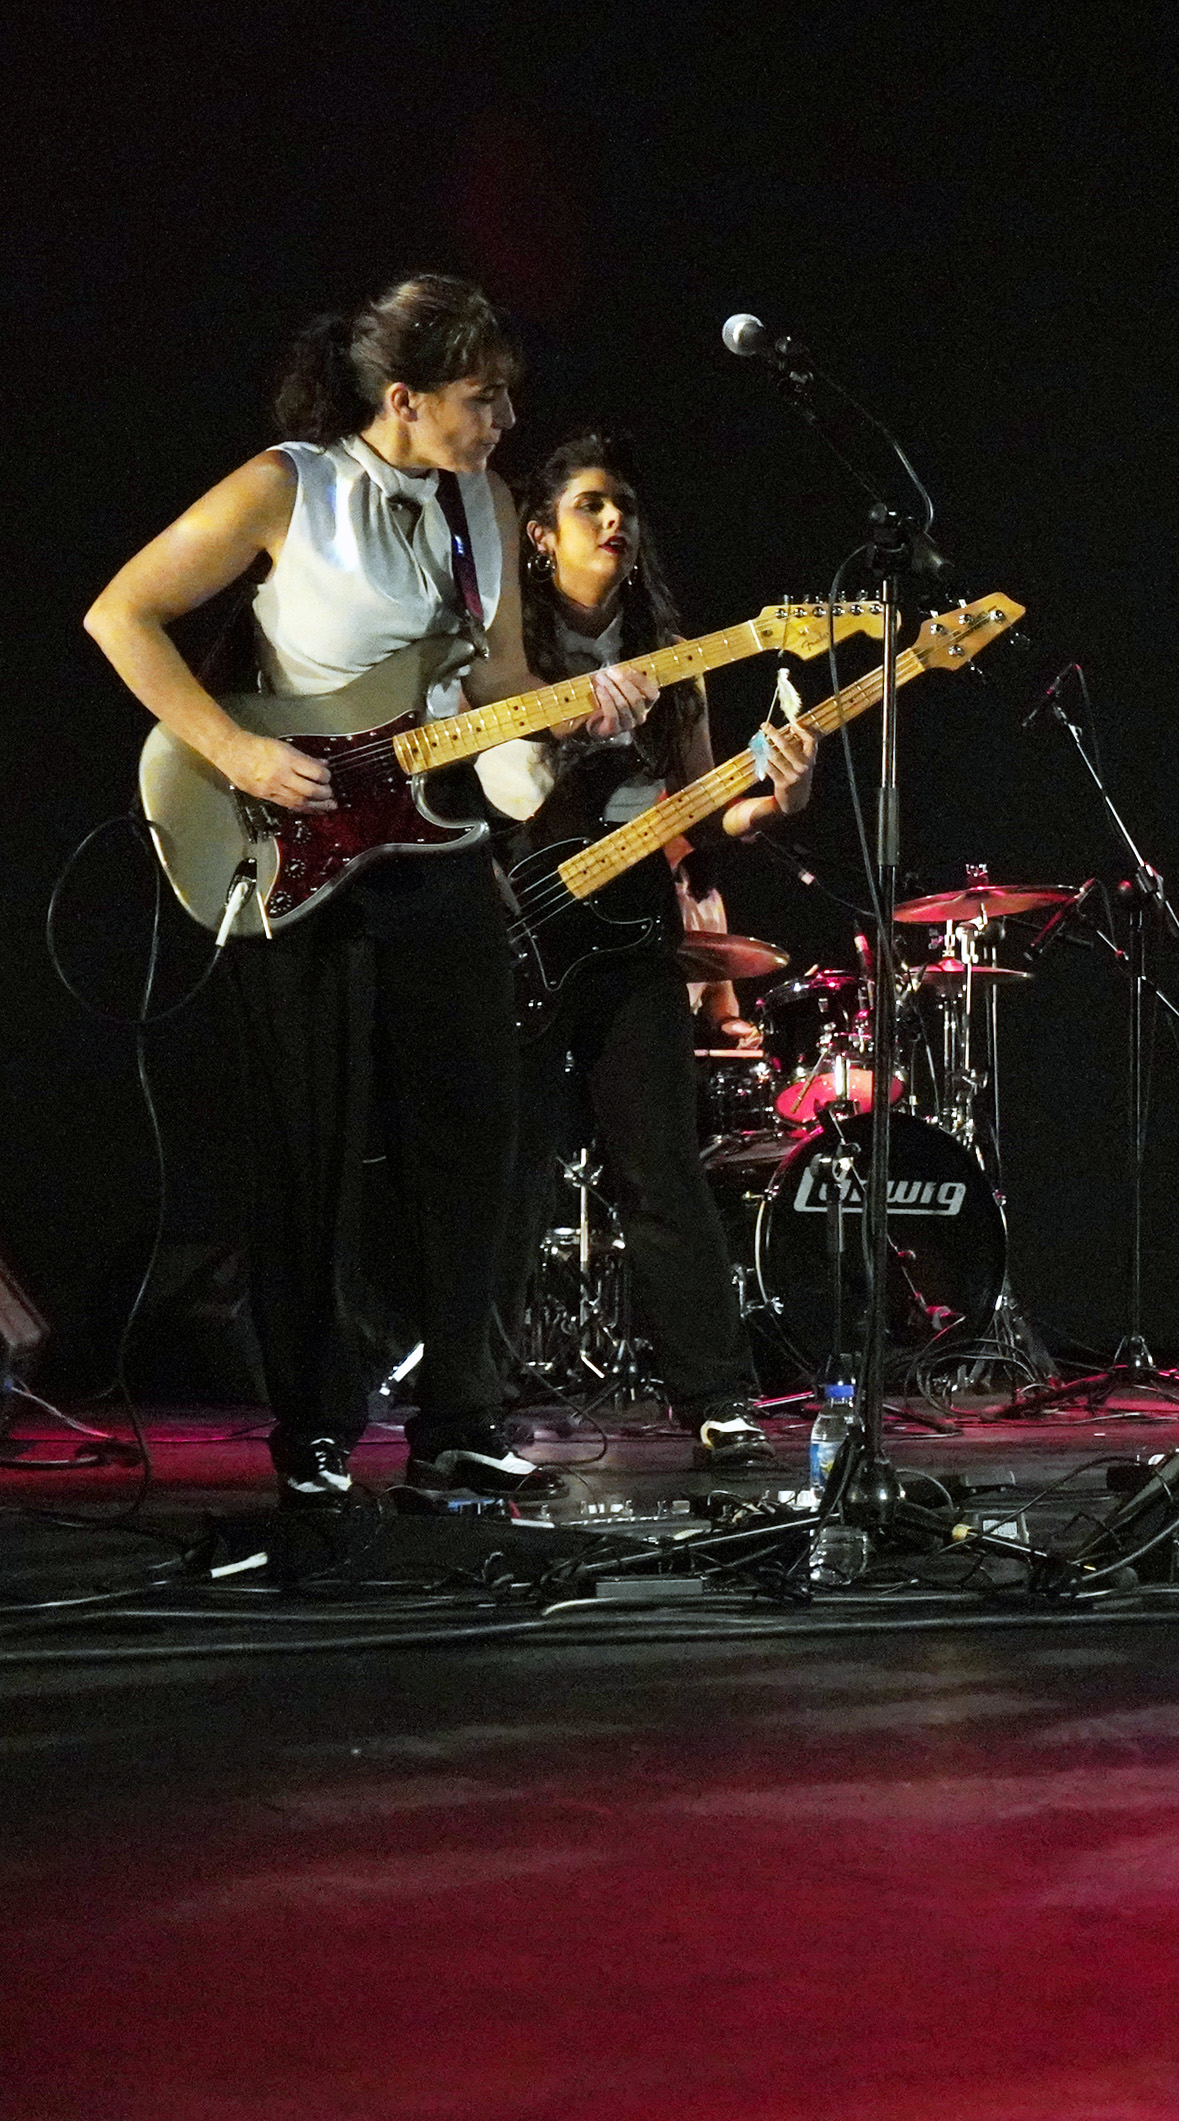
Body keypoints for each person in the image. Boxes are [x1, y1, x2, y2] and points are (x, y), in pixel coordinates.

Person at [83, 274, 650, 1505]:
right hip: (296, 843)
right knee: (311, 1145)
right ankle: (315, 1427)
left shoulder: (484, 504)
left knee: (474, 1133)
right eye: (481, 398)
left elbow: (496, 682)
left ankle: (461, 1416)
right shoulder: (289, 485)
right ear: (402, 399)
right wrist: (234, 750)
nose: (505, 420)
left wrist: (580, 705)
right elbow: (120, 613)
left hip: (433, 844)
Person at [479, 430, 816, 1469]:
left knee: (662, 1166)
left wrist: (779, 795)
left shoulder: (677, 661)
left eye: (623, 502)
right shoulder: (501, 643)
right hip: (519, 905)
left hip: (631, 926)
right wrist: (570, 728)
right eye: (590, 503)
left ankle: (717, 1398)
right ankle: (472, 1406)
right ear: (540, 534)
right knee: (509, 1178)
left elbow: (705, 815)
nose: (614, 518)